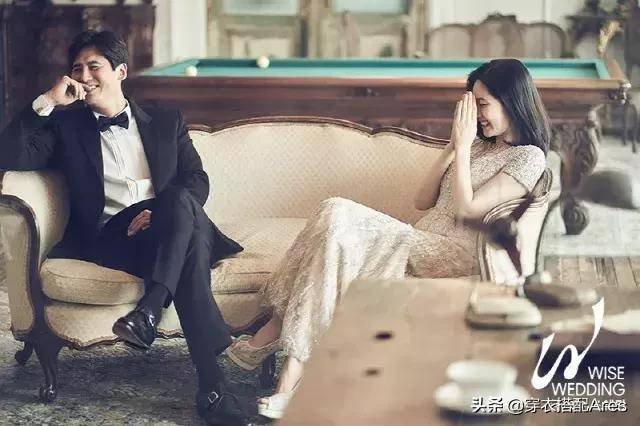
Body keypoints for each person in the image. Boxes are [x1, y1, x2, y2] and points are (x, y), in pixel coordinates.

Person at [225, 58, 550, 419]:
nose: (477, 116)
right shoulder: (476, 146)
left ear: (511, 100)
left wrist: (461, 149)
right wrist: (453, 147)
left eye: (483, 105)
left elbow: (467, 210)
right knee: (331, 225)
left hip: (455, 255)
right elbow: (422, 200)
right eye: (473, 105)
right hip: (419, 240)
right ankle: (289, 377)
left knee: (336, 211)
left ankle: (276, 337)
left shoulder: (528, 158)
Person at [0, 31, 247, 426]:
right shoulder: (66, 127)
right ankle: (206, 373)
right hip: (114, 238)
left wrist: (159, 211)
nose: (84, 76)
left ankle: (195, 366)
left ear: (121, 71)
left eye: (93, 66)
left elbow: (197, 180)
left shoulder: (166, 120)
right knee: (186, 228)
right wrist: (46, 101)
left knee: (179, 204)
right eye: (77, 68)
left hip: (166, 230)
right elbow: (8, 155)